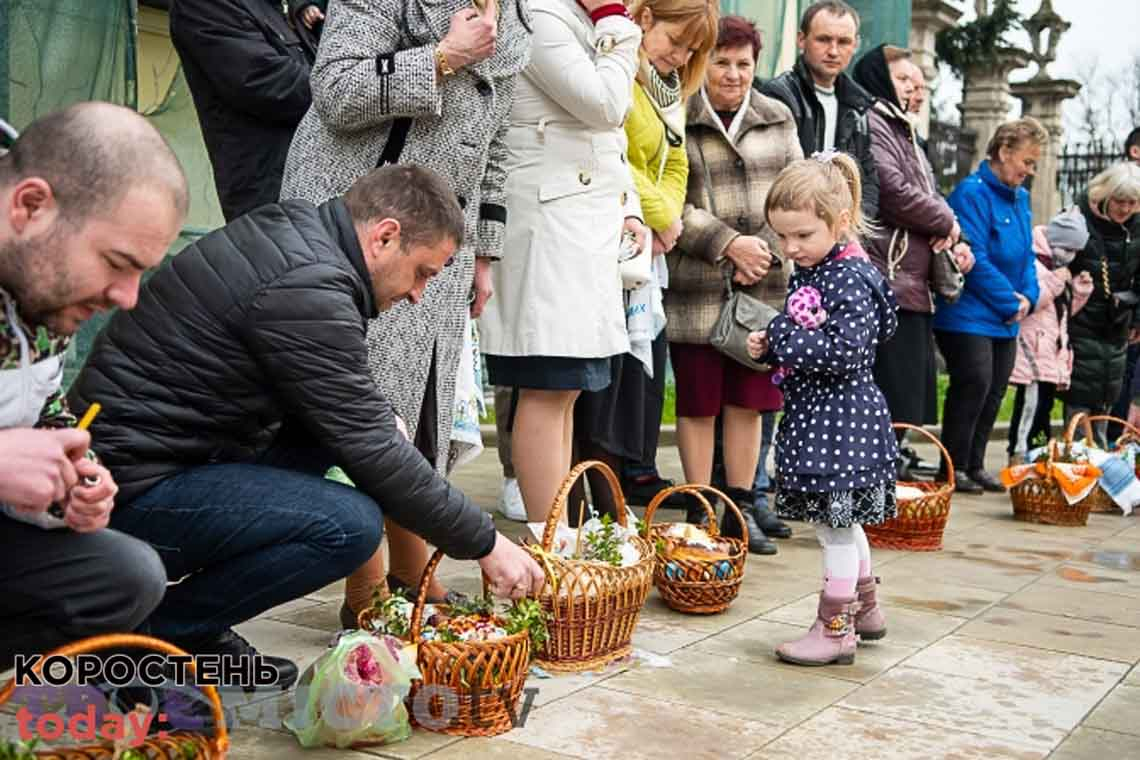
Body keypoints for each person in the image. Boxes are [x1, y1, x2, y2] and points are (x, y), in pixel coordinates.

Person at [68, 164, 546, 688]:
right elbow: (372, 450)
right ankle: (152, 638)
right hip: (118, 495)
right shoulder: (309, 284)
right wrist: (486, 544)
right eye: (423, 272)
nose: (418, 295)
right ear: (385, 236)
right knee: (349, 526)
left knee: (334, 442)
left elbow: (341, 411)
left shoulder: (303, 238)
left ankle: (198, 631)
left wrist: (371, 418)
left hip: (156, 460)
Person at [280, 0, 532, 621]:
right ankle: (366, 595)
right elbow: (336, 91)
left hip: (441, 243)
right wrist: (444, 59)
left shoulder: (520, 18)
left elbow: (494, 147)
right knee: (367, 406)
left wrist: (482, 253)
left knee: (420, 411)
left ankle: (413, 574)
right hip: (360, 233)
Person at [0, 103, 187, 671]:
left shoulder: (37, 289)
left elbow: (42, 409)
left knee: (124, 575)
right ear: (30, 206)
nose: (127, 298)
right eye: (116, 263)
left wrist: (66, 482)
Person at [479, 0, 647, 523]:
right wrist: (619, 22)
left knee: (566, 389)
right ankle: (549, 542)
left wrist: (630, 206)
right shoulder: (538, 16)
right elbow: (604, 105)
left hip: (582, 225)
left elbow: (607, 139)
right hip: (548, 229)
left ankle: (558, 535)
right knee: (548, 384)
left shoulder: (573, 18)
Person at [746, 152, 896, 667]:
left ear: (841, 222)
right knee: (845, 520)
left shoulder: (846, 277)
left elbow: (845, 350)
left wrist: (782, 335)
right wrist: (776, 344)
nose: (790, 248)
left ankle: (835, 629)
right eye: (781, 237)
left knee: (834, 528)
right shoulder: (828, 267)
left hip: (840, 422)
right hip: (831, 417)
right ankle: (866, 609)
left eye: (802, 235)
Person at [572, 0, 718, 518]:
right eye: (676, 42)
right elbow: (612, 155)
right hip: (606, 239)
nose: (680, 58)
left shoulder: (667, 87)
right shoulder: (614, 67)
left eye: (691, 51)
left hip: (646, 250)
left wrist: (667, 216)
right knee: (598, 389)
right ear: (645, 20)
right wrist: (659, 215)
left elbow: (675, 159)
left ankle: (614, 501)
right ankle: (583, 509)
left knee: (635, 385)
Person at [667, 15, 799, 554]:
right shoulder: (680, 113)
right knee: (699, 400)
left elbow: (795, 190)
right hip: (697, 280)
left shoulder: (778, 117)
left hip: (763, 283)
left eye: (744, 63)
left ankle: (740, 503)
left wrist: (760, 252)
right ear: (704, 61)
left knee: (748, 400)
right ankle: (701, 504)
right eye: (722, 61)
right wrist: (725, 244)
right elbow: (671, 197)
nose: (733, 73)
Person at [852, 44, 974, 479]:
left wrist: (952, 235)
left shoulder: (907, 131)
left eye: (921, 85)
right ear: (881, 80)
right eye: (906, 81)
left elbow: (927, 194)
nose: (916, 92)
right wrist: (948, 220)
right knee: (888, 389)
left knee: (905, 395)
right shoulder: (875, 122)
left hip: (912, 282)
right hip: (889, 276)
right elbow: (892, 190)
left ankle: (888, 467)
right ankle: (871, 476)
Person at [934, 118, 1047, 494]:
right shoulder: (972, 193)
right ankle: (952, 465)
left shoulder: (1023, 199)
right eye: (1027, 162)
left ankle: (976, 464)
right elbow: (974, 255)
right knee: (974, 382)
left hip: (1008, 314)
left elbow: (1028, 255)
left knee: (996, 388)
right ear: (1003, 151)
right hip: (969, 312)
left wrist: (1028, 298)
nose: (1030, 171)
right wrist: (1008, 299)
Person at [170, 0, 314, 222]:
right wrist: (343, 87)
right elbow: (263, 81)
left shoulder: (278, 8)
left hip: (312, 178)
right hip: (269, 188)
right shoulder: (204, 6)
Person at [758, 0, 878, 222]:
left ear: (856, 45)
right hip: (789, 227)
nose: (833, 51)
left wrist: (852, 224)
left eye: (843, 42)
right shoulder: (779, 96)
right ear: (801, 40)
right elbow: (767, 174)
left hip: (838, 230)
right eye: (823, 39)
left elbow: (867, 178)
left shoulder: (859, 106)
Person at [1007, 209, 1093, 463]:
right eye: (1067, 247)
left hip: (1051, 350)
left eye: (1075, 251)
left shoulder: (1060, 267)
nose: (1070, 255)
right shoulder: (1031, 262)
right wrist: (1057, 281)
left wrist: (1079, 292)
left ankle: (1038, 455)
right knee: (1029, 407)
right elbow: (1031, 300)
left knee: (1044, 408)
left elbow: (1062, 312)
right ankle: (1019, 454)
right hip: (1031, 347)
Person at [1063, 163, 1140, 444]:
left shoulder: (1137, 225)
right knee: (1080, 391)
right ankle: (1079, 456)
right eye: (1120, 201)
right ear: (1105, 195)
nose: (1125, 209)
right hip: (1081, 317)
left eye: (1132, 203)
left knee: (1109, 389)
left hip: (1119, 319)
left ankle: (1099, 459)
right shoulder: (1077, 219)